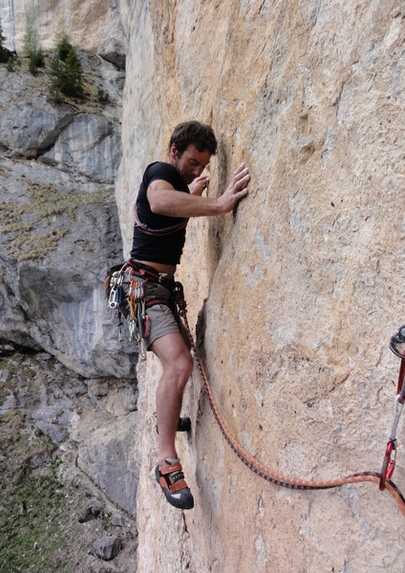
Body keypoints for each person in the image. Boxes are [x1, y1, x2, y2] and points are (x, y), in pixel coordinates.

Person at [123, 120, 251, 510]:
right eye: (192, 162)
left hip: (156, 289)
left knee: (180, 366)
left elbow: (154, 211)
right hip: (145, 290)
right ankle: (166, 460)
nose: (197, 170)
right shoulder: (159, 173)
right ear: (174, 151)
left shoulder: (177, 183)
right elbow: (159, 201)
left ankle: (169, 415)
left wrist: (191, 191)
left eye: (203, 165)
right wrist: (218, 204)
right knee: (179, 365)